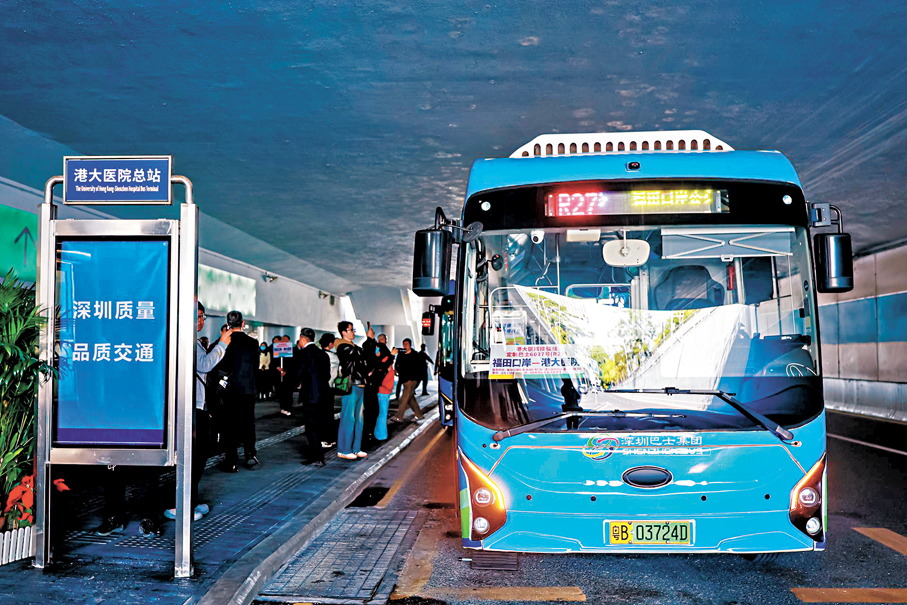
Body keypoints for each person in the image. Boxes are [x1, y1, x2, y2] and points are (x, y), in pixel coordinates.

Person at [163, 302, 232, 522]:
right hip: (189, 408)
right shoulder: (187, 340)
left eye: (203, 316)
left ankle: (190, 501)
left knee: (198, 457)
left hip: (196, 406)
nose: (201, 320)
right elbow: (204, 365)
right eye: (197, 316)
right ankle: (180, 505)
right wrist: (222, 344)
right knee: (194, 457)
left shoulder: (190, 340)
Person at [217, 310, 262, 472]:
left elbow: (218, 366)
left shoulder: (224, 342)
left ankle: (232, 461)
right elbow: (255, 368)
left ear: (227, 323)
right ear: (243, 324)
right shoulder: (253, 343)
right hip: (248, 389)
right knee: (248, 423)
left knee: (229, 425)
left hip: (230, 390)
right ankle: (250, 455)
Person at [334, 321, 376, 460]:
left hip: (360, 384)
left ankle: (355, 448)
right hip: (351, 385)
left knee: (358, 418)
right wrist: (369, 340)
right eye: (350, 330)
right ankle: (344, 450)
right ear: (343, 332)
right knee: (348, 418)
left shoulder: (354, 346)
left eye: (353, 330)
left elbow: (367, 359)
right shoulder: (342, 346)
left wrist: (370, 341)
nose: (353, 332)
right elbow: (359, 356)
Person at [295, 328, 329, 465]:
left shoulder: (303, 354)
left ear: (303, 339)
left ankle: (316, 455)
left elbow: (299, 372)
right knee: (318, 424)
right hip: (322, 393)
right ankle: (319, 454)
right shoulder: (323, 354)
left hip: (309, 395)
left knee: (310, 426)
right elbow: (327, 375)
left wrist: (296, 383)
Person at [393, 338, 424, 422]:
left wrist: (418, 380)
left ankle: (399, 416)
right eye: (404, 344)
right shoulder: (401, 354)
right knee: (410, 398)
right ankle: (419, 415)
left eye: (407, 344)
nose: (405, 346)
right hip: (404, 379)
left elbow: (420, 368)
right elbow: (397, 364)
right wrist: (397, 370)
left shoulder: (415, 355)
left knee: (404, 399)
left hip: (412, 380)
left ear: (410, 345)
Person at [319, 332, 339, 448]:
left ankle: (324, 438)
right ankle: (328, 438)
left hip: (319, 388)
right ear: (331, 344)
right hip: (329, 387)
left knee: (321, 414)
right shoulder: (334, 357)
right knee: (328, 414)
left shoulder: (318, 355)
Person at [374, 343, 398, 442]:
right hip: (385, 390)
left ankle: (380, 434)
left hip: (382, 390)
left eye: (377, 349)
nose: (376, 351)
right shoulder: (387, 360)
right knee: (382, 413)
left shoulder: (384, 360)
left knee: (381, 413)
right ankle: (380, 434)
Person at [276, 334, 295, 416]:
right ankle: (282, 407)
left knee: (288, 393)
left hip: (289, 376)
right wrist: (278, 368)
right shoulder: (277, 349)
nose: (283, 341)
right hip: (279, 376)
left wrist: (286, 371)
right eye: (282, 340)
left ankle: (288, 408)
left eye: (285, 340)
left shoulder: (292, 351)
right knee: (280, 393)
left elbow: (294, 364)